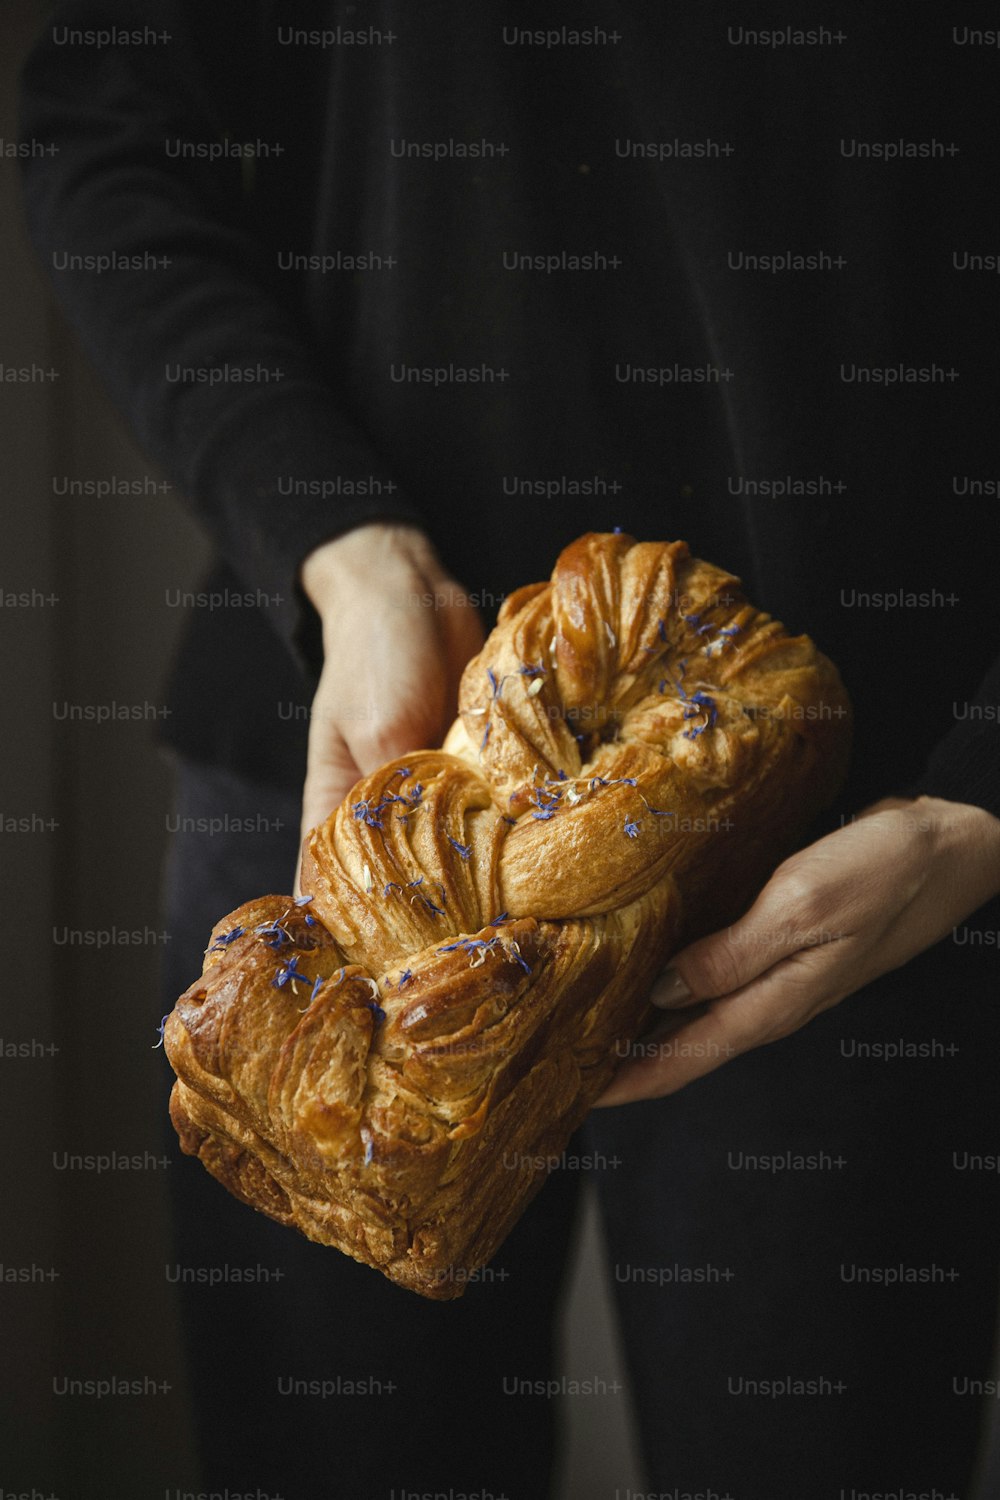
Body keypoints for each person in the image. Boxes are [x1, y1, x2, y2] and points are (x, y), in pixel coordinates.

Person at [20, 5, 1000, 1496]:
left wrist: (987, 792)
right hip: (355, 776)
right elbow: (100, 107)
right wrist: (337, 547)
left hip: (881, 859)